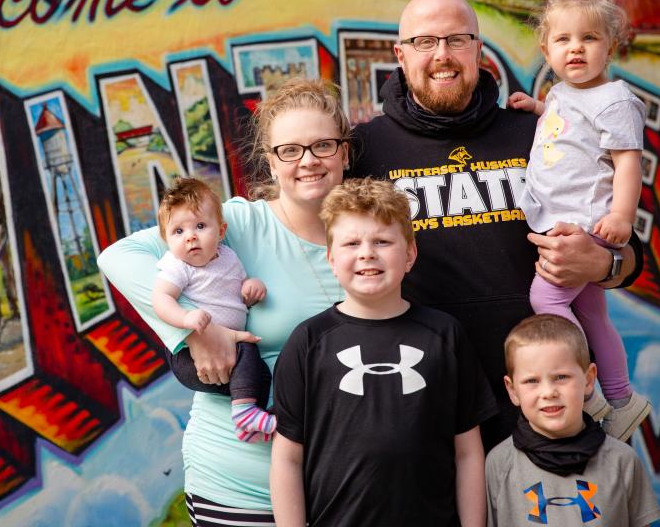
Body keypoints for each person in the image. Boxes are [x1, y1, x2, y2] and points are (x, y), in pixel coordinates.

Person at [349, 0, 643, 450]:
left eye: (457, 40)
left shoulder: (538, 133)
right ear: (400, 56)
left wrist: (600, 265)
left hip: (545, 411)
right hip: (424, 408)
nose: (442, 55)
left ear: (478, 50)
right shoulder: (363, 151)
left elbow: (628, 254)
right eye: (425, 41)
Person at [98, 78, 350, 524]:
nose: (307, 161)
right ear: (271, 165)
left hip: (344, 487)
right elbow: (119, 256)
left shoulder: (367, 236)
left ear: (344, 153)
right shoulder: (233, 223)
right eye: (289, 150)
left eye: (323, 145)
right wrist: (194, 331)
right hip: (241, 487)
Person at [270, 178, 496, 527]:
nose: (366, 253)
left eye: (382, 241)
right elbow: (287, 459)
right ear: (331, 258)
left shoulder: (444, 335)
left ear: (409, 254)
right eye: (351, 243)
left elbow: (467, 452)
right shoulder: (308, 342)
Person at [507, 0, 650, 441]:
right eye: (563, 40)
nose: (576, 48)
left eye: (589, 38)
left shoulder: (615, 100)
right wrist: (539, 110)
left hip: (587, 225)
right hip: (561, 221)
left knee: (544, 299)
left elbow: (628, 163)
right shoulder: (564, 93)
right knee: (592, 314)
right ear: (547, 51)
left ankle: (587, 396)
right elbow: (568, 125)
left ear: (610, 46)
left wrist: (621, 217)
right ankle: (623, 400)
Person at [486, 314, 660, 526]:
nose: (548, 392)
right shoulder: (499, 464)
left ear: (588, 380)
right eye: (532, 380)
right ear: (512, 390)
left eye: (561, 377)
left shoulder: (622, 460)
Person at [152, 177, 273, 442]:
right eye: (178, 232)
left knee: (261, 375)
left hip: (230, 349)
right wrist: (185, 318)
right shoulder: (177, 265)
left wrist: (250, 288)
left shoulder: (228, 257)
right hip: (189, 357)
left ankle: (248, 423)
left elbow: (238, 293)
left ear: (221, 231)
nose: (191, 236)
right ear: (166, 239)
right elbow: (161, 299)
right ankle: (244, 414)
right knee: (248, 353)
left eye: (200, 226)